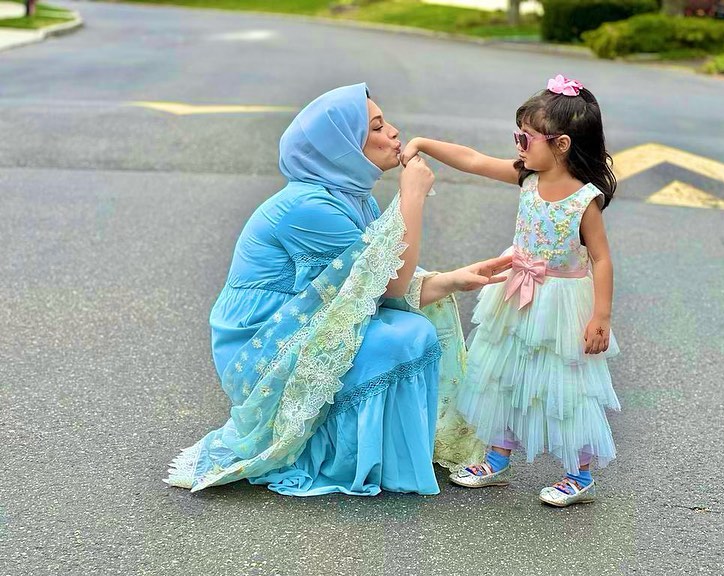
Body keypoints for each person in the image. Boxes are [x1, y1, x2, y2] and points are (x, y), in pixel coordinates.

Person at [164, 83, 514, 496]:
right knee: (405, 335)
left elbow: (375, 282)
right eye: (378, 128)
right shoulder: (309, 206)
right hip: (261, 338)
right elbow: (391, 281)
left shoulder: (350, 196)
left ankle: (383, 455)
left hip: (300, 317)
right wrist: (412, 196)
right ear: (342, 146)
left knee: (414, 326)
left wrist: (455, 278)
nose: (395, 133)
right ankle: (344, 458)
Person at [400, 75, 620, 507]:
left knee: (564, 384)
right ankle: (498, 458)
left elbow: (602, 259)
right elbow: (473, 159)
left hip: (561, 302)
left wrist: (601, 315)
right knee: (502, 372)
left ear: (560, 144)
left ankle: (579, 472)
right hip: (516, 289)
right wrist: (424, 142)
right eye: (517, 135)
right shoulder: (526, 178)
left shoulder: (584, 199)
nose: (518, 144)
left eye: (526, 137)